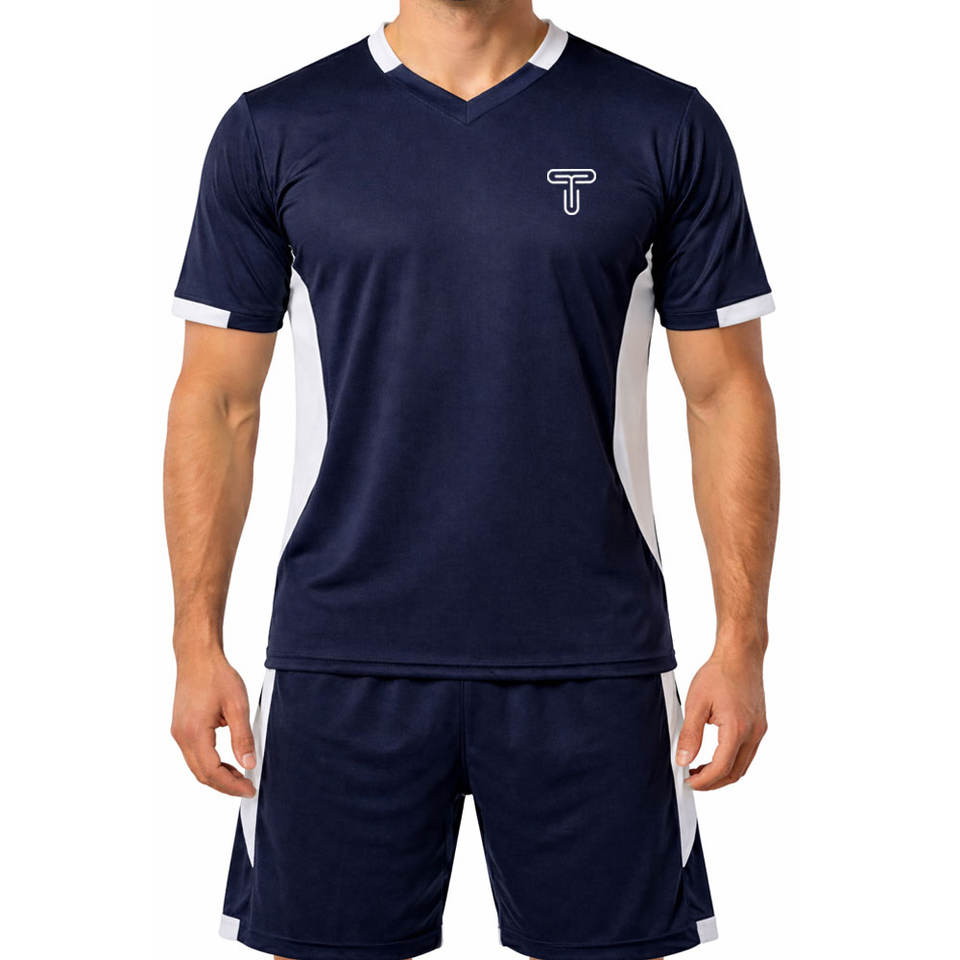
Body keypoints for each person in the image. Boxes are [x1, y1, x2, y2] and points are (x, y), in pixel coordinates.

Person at [164, 2, 778, 959]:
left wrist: (742, 644)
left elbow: (725, 395)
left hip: (592, 661)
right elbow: (217, 402)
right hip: (343, 656)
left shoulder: (659, 123)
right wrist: (194, 643)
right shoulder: (275, 128)